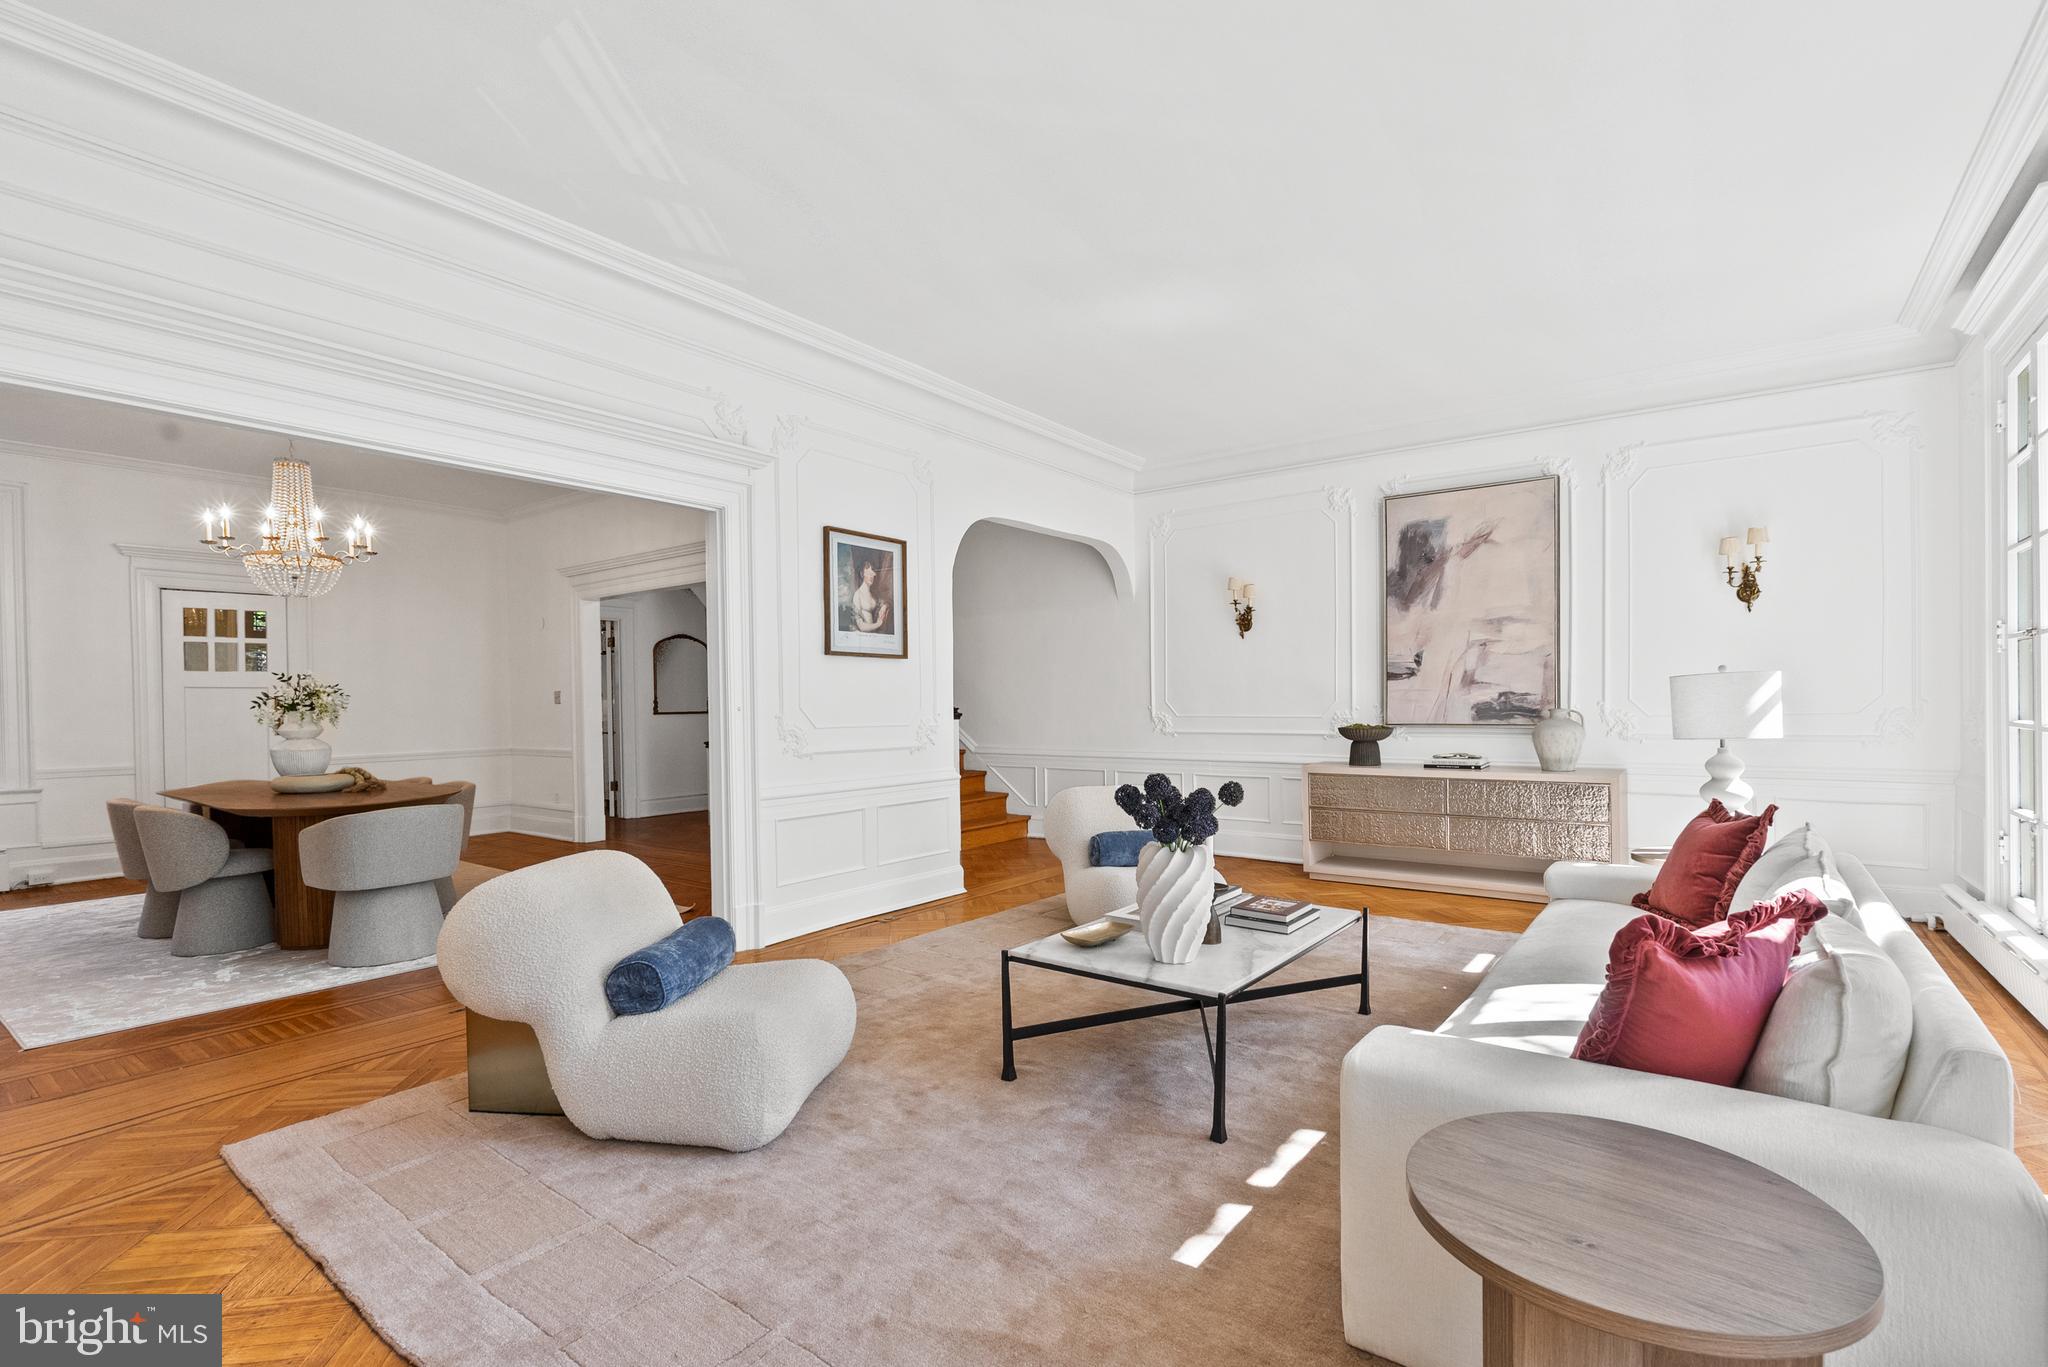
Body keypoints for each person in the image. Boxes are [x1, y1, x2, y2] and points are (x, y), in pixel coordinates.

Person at [851, 556, 890, 633]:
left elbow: (884, 602)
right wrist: (878, 624)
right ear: (862, 574)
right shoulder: (857, 595)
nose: (873, 575)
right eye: (869, 573)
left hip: (873, 634)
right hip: (863, 635)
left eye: (873, 572)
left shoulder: (872, 594)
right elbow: (861, 626)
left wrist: (884, 606)